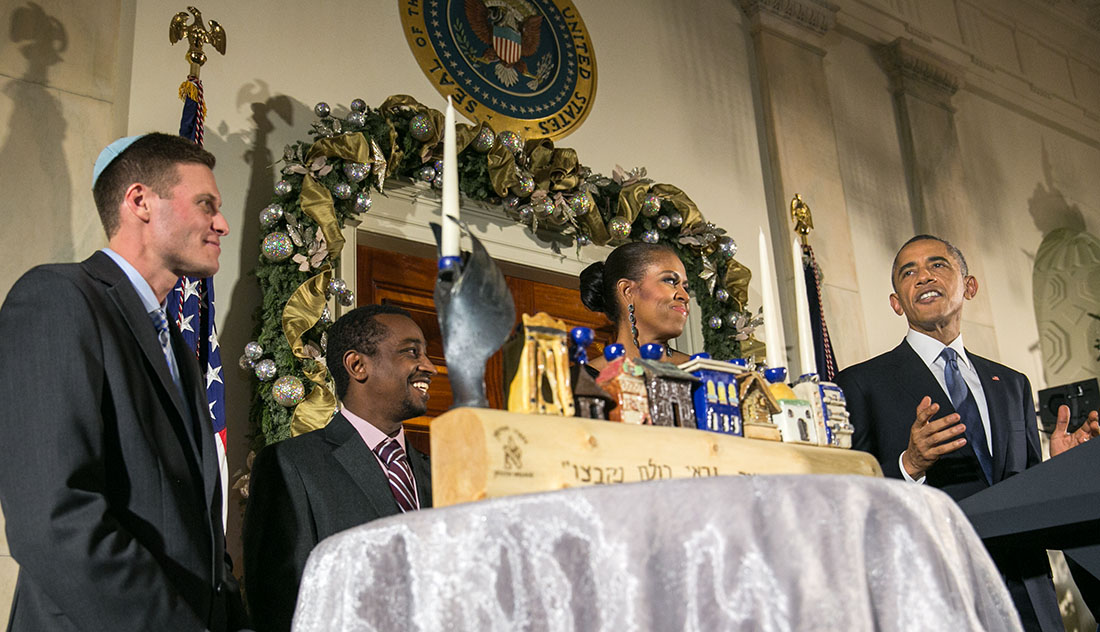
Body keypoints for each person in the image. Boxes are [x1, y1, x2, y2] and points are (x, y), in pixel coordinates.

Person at [0, 133, 248, 630]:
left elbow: (198, 529)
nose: (221, 223)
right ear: (140, 201)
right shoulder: (57, 299)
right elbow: (54, 519)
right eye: (206, 204)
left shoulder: (179, 346)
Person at [835, 234, 1099, 632]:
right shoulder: (861, 384)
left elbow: (1024, 492)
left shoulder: (1012, 383)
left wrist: (1062, 472)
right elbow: (849, 497)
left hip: (1025, 591)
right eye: (909, 272)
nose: (923, 277)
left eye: (937, 265)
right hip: (936, 591)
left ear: (969, 286)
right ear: (896, 302)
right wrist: (910, 465)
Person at [242, 304, 436, 632]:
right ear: (357, 365)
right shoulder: (292, 465)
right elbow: (279, 607)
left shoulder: (439, 473)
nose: (429, 366)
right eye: (411, 352)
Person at [579, 242, 692, 372]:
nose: (685, 296)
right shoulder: (579, 382)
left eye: (685, 288)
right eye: (670, 281)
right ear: (628, 291)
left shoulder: (706, 373)